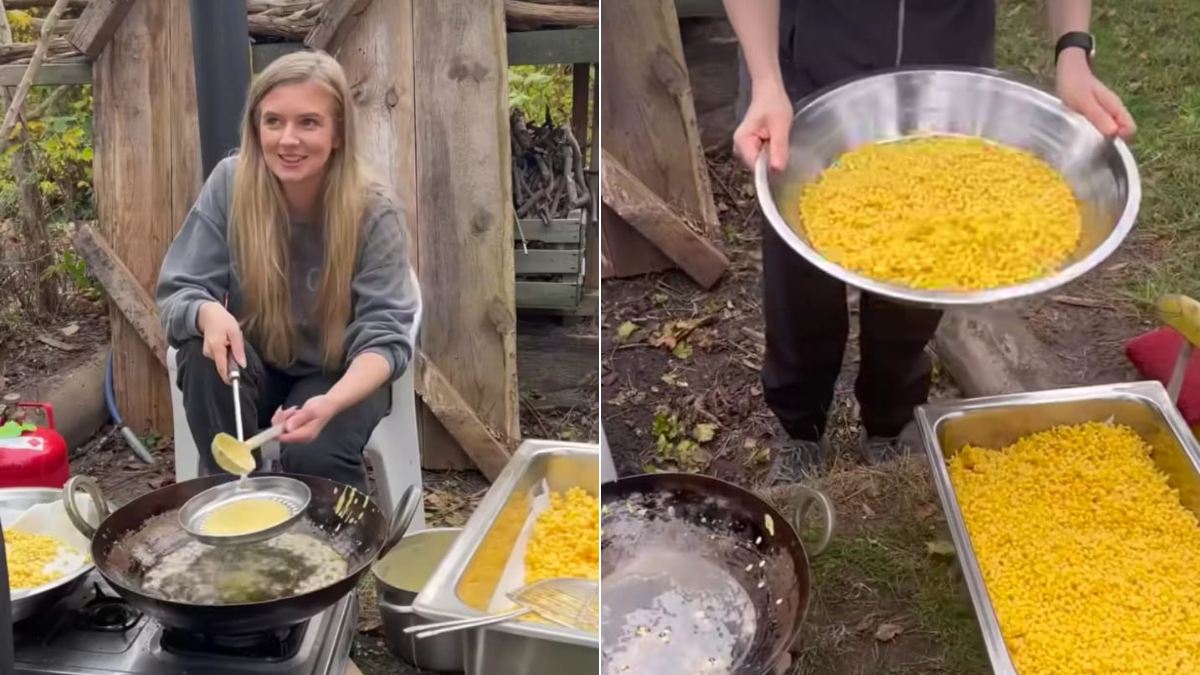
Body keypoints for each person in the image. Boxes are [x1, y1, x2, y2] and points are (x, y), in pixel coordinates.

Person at [722, 0, 1136, 480]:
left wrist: (1073, 51)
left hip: (947, 70)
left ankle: (889, 422)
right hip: (809, 61)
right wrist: (766, 79)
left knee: (927, 278)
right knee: (799, 283)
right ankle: (799, 429)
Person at [156, 50, 419, 493]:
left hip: (342, 372)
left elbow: (387, 334)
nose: (288, 139)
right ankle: (235, 508)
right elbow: (180, 288)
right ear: (256, 128)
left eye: (309, 123)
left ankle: (339, 555)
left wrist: (331, 402)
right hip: (257, 366)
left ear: (337, 134)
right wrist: (207, 313)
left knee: (314, 453)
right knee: (199, 356)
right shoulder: (230, 184)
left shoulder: (373, 210)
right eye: (273, 121)